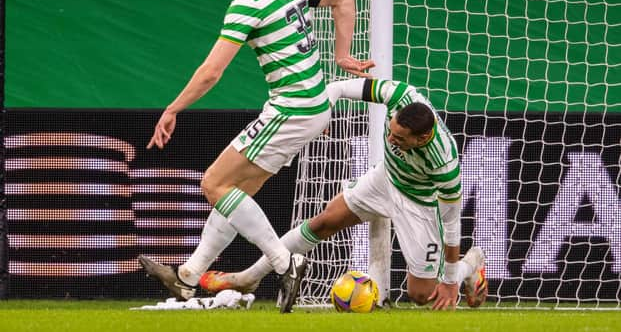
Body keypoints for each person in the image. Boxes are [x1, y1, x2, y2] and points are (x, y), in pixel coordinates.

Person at [138, 0, 375, 313]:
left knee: (214, 183)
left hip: (291, 108)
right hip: (312, 106)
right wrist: (342, 54)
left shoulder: (247, 3)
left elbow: (212, 72)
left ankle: (286, 263)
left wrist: (172, 108)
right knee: (236, 194)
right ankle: (188, 277)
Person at [200, 78, 488, 310]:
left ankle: (470, 265)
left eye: (399, 139)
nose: (390, 139)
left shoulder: (444, 162)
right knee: (325, 221)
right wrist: (319, 115)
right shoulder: (400, 94)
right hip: (385, 177)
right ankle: (248, 278)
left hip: (419, 202)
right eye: (390, 131)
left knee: (421, 295)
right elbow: (338, 87)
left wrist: (450, 280)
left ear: (422, 138)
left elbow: (451, 224)